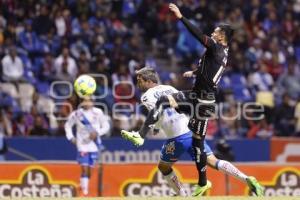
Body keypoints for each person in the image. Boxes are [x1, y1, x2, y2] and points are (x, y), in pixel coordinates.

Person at [122, 3, 234, 196]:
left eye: (216, 32)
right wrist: (194, 72)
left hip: (201, 99)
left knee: (195, 141)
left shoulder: (216, 47)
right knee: (197, 143)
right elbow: (209, 70)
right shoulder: (223, 54)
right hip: (203, 98)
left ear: (222, 36)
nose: (213, 33)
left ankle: (141, 135)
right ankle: (202, 182)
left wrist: (181, 17)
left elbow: (199, 36)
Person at [123, 67, 264, 196]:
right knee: (212, 160)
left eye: (140, 80)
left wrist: (156, 127)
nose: (138, 83)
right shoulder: (170, 88)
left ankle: (182, 195)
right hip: (192, 130)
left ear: (148, 81)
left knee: (164, 167)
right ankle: (247, 179)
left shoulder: (146, 96)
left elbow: (158, 112)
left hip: (176, 137)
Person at [65, 97, 110, 196]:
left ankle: (82, 185)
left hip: (94, 145)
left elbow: (106, 126)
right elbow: (68, 125)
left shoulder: (98, 112)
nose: (87, 103)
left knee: (90, 170)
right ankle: (85, 193)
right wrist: (71, 138)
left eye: (89, 100)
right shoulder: (77, 114)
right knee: (84, 168)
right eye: (84, 101)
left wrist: (97, 133)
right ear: (81, 102)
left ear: (93, 102)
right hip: (82, 145)